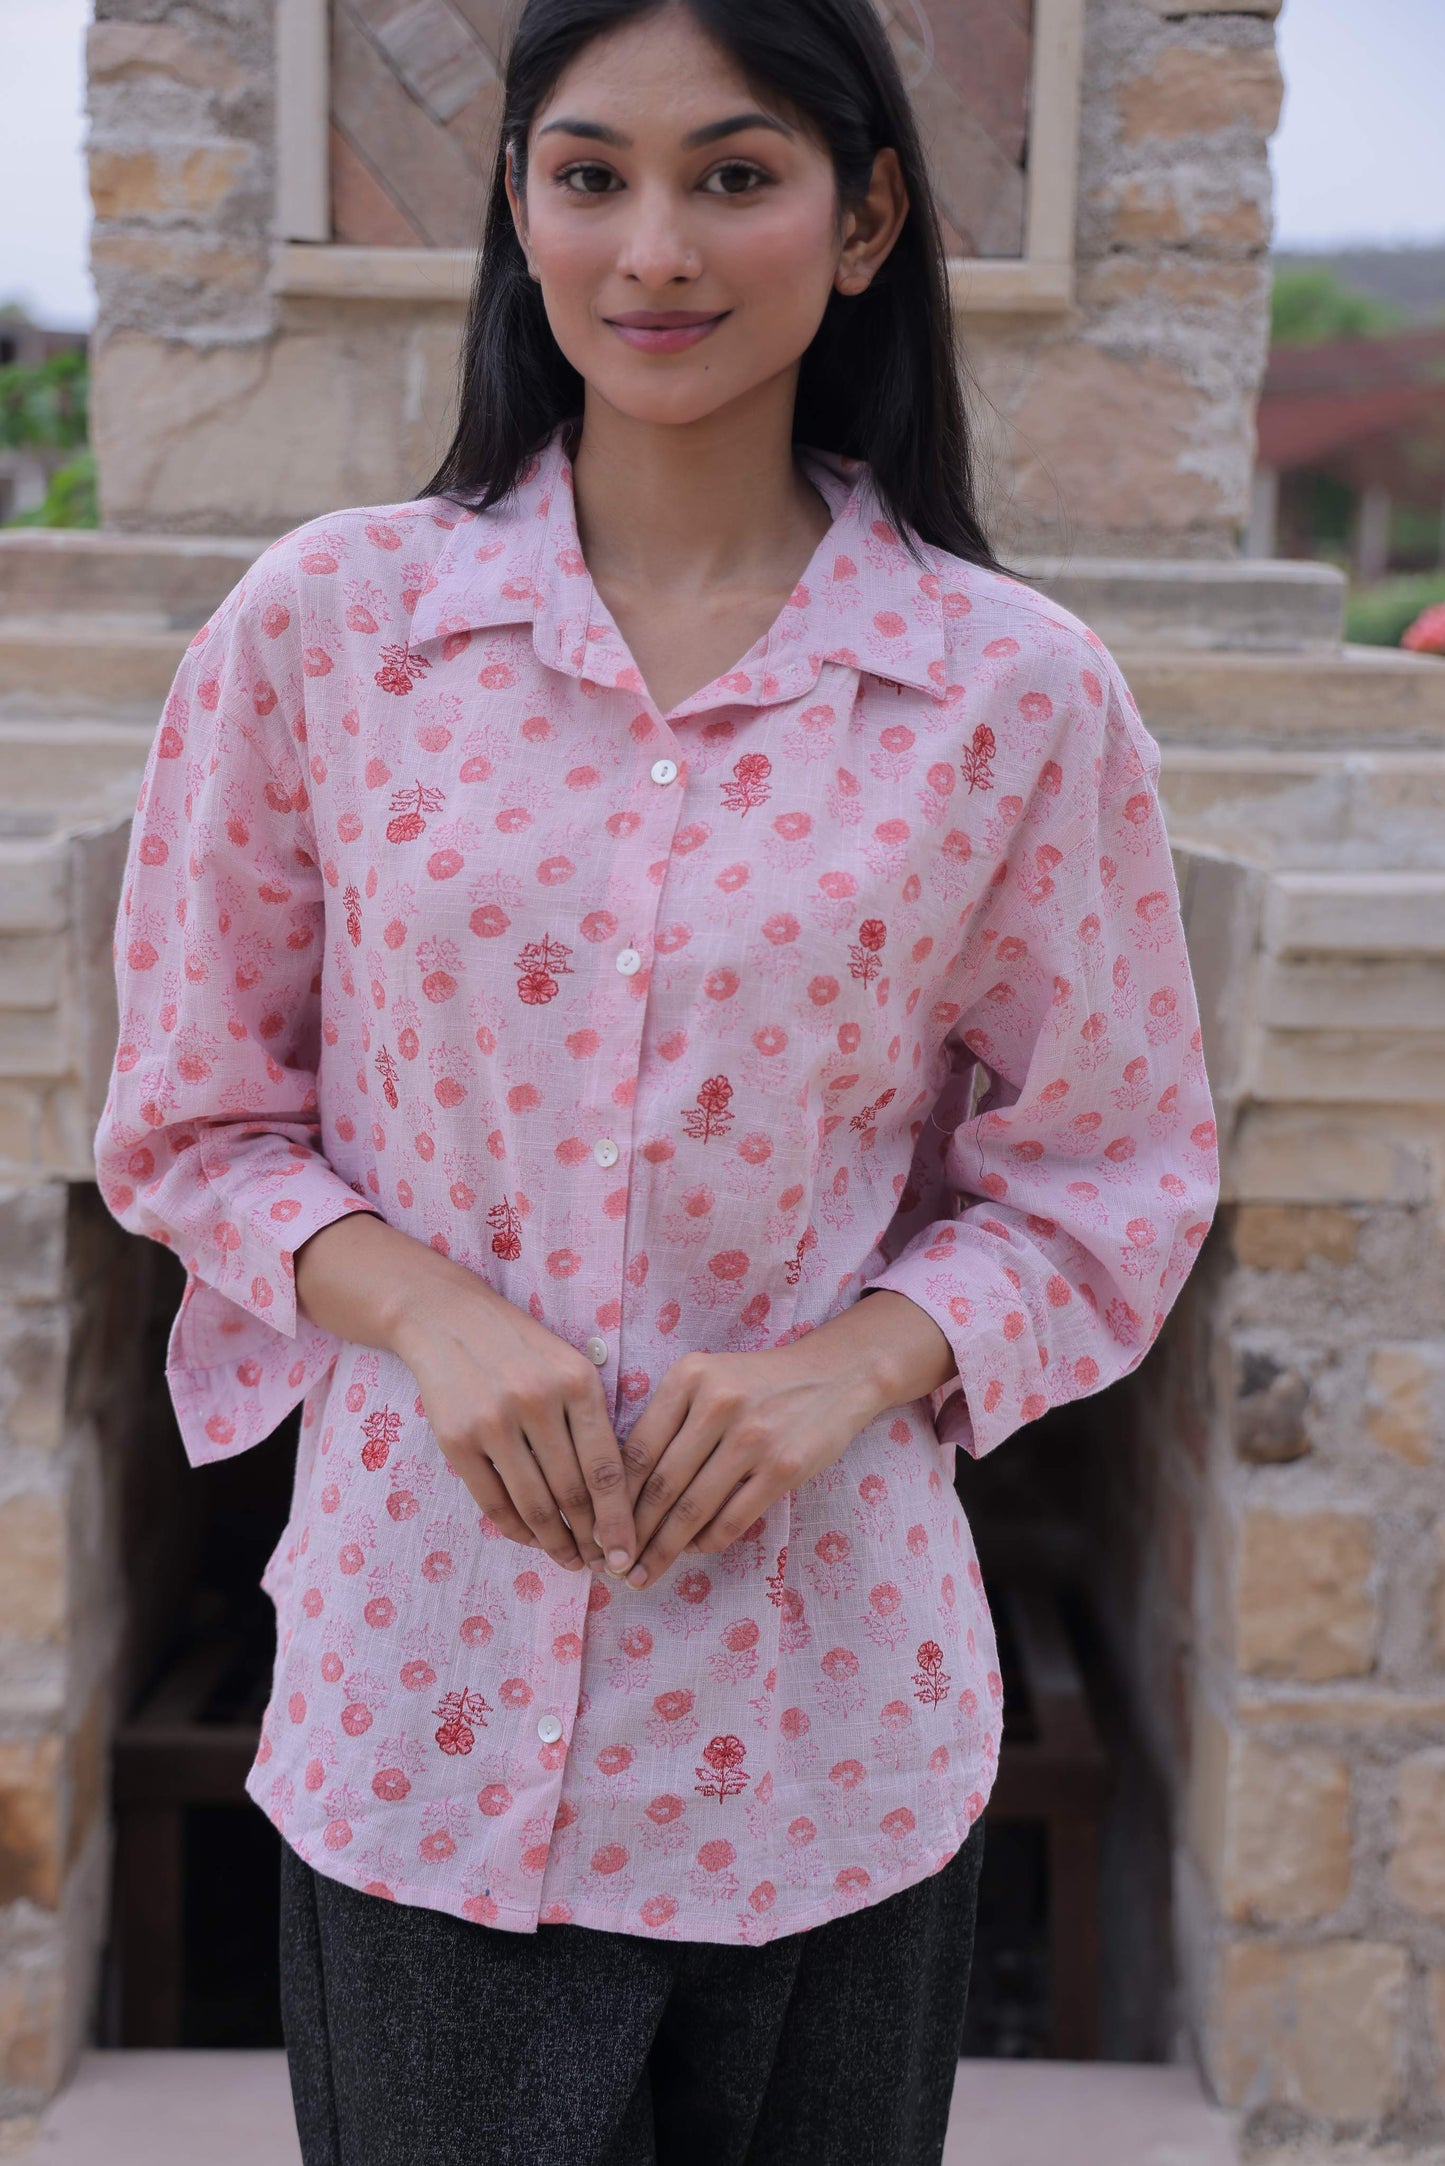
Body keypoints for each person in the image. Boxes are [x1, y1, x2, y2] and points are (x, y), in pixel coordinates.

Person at [92, 1, 1219, 2159]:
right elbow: (191, 1115)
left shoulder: (1013, 696)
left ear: (868, 215)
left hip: (830, 1733)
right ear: (518, 211)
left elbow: (1113, 1177)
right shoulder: (326, 634)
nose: (655, 247)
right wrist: (421, 1309)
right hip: (419, 1710)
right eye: (590, 173)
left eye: (736, 172)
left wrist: (864, 1363)